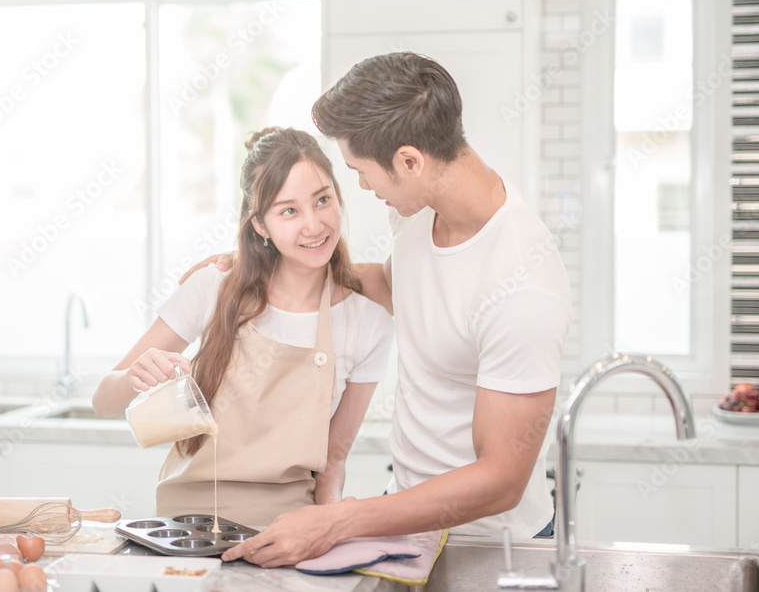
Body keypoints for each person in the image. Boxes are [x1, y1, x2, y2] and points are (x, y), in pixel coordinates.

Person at [219, 52, 572, 567]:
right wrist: (274, 261)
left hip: (491, 547)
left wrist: (339, 518)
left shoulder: (522, 286)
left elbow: (501, 480)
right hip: (410, 523)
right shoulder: (416, 214)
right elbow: (394, 282)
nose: (363, 186)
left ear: (409, 161)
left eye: (361, 171)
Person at [92, 126, 394, 527]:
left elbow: (334, 457)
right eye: (288, 210)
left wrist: (332, 518)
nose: (314, 224)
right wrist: (134, 375)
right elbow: (102, 403)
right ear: (260, 225)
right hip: (185, 529)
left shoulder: (367, 322)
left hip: (287, 531)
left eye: (322, 200)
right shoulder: (213, 287)